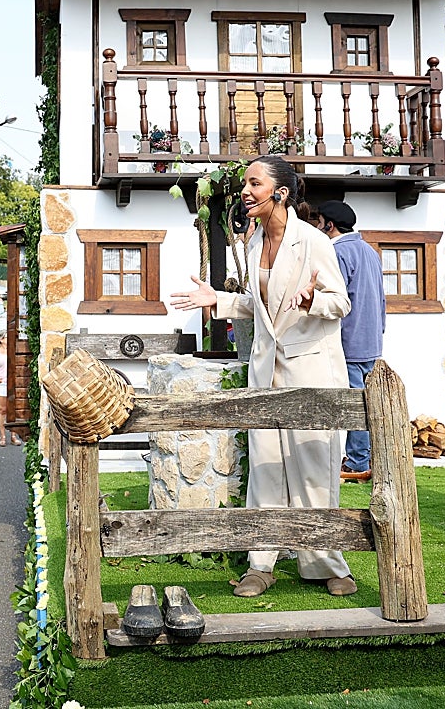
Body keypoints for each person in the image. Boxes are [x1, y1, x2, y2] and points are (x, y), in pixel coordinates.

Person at [170, 154, 356, 597]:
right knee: (267, 469)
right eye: (245, 184)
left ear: (281, 192)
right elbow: (258, 307)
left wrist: (313, 301)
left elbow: (341, 303)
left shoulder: (314, 242)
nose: (246, 192)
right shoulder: (253, 246)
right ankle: (261, 563)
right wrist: (216, 298)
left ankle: (324, 563)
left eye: (255, 183)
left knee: (315, 469)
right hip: (265, 372)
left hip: (311, 373)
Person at [316, 200, 386, 481]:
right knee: (369, 404)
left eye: (319, 222)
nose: (318, 227)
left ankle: (358, 463)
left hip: (349, 339)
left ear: (329, 225)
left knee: (356, 405)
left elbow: (336, 301)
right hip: (371, 339)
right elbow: (381, 299)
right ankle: (363, 458)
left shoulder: (338, 253)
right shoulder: (370, 251)